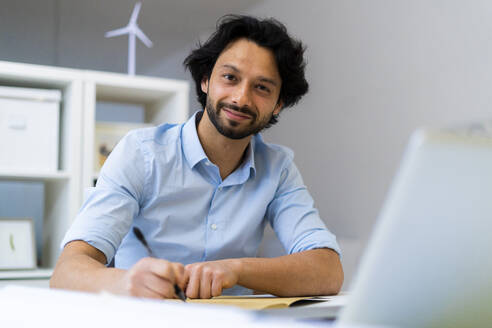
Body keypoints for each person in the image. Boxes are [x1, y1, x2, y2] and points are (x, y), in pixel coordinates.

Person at [50, 15, 343, 299]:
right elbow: (66, 273)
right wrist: (125, 282)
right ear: (205, 81)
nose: (241, 98)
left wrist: (235, 269)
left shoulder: (278, 169)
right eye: (230, 77)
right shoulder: (141, 154)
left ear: (279, 104)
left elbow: (328, 271)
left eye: (261, 88)